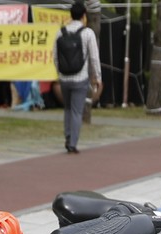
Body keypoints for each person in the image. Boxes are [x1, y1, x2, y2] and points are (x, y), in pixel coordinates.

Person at [55, 1, 101, 153]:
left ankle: (68, 136)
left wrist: (59, 72)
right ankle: (73, 143)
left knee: (67, 109)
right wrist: (97, 78)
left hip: (64, 79)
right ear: (84, 15)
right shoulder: (88, 33)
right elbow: (94, 58)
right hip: (80, 78)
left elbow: (55, 56)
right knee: (76, 111)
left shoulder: (60, 32)